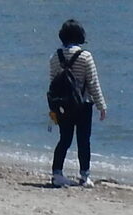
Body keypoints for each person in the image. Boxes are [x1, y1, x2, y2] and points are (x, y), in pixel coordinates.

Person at [45, 20, 107, 188]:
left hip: (63, 105)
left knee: (64, 140)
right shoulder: (85, 56)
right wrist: (101, 106)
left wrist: (52, 109)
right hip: (83, 105)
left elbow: (53, 84)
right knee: (83, 141)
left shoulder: (55, 57)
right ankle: (85, 176)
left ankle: (57, 174)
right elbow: (93, 83)